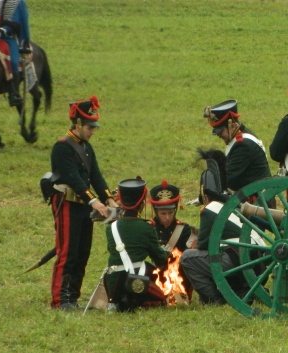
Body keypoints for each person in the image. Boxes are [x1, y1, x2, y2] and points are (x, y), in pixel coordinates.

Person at [49, 95, 118, 310]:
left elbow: (95, 175)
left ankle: (73, 296)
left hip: (84, 207)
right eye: (89, 127)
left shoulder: (87, 147)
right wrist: (94, 202)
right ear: (78, 124)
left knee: (82, 252)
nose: (92, 131)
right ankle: (61, 300)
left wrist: (109, 198)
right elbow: (73, 179)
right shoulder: (62, 147)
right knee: (68, 252)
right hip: (68, 204)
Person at [104, 178, 169, 312]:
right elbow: (159, 258)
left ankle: (116, 302)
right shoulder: (146, 228)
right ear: (142, 203)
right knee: (162, 299)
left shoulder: (111, 227)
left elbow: (112, 250)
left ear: (120, 200)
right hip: (134, 280)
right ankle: (136, 302)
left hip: (112, 283)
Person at [179, 187, 245, 305]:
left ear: (206, 197)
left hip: (236, 257)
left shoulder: (210, 209)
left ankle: (213, 299)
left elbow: (203, 245)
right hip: (254, 258)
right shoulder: (234, 206)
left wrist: (195, 245)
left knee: (187, 258)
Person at [203, 99, 271, 194]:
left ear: (232, 125)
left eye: (221, 131)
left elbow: (229, 180)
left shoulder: (243, 146)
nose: (219, 135)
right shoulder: (243, 134)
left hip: (255, 201)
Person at [148, 180, 195, 300]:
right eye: (163, 213)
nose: (167, 217)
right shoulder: (149, 229)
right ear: (155, 211)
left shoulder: (184, 230)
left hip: (179, 277)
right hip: (155, 277)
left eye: (170, 212)